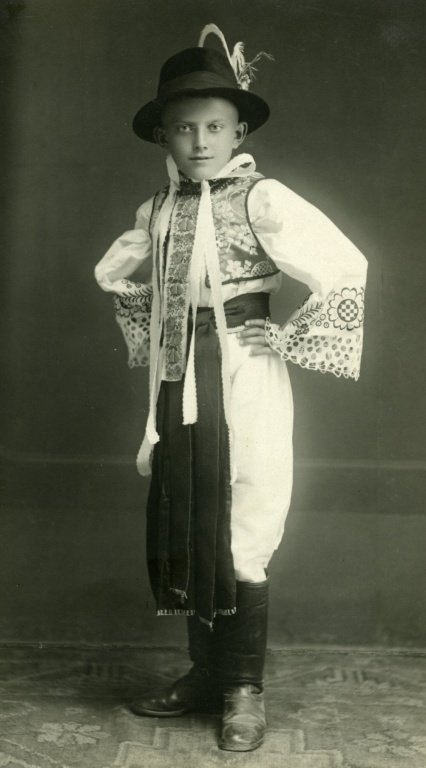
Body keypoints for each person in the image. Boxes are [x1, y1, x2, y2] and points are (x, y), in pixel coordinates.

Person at [94, 24, 367, 752]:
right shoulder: (158, 210)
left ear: (238, 131)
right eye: (184, 128)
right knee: (188, 516)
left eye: (214, 126)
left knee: (245, 512)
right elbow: (129, 280)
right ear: (164, 136)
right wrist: (161, 324)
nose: (200, 140)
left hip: (244, 372)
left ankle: (243, 687)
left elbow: (343, 266)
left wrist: (287, 336)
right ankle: (204, 673)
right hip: (179, 374)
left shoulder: (261, 198)